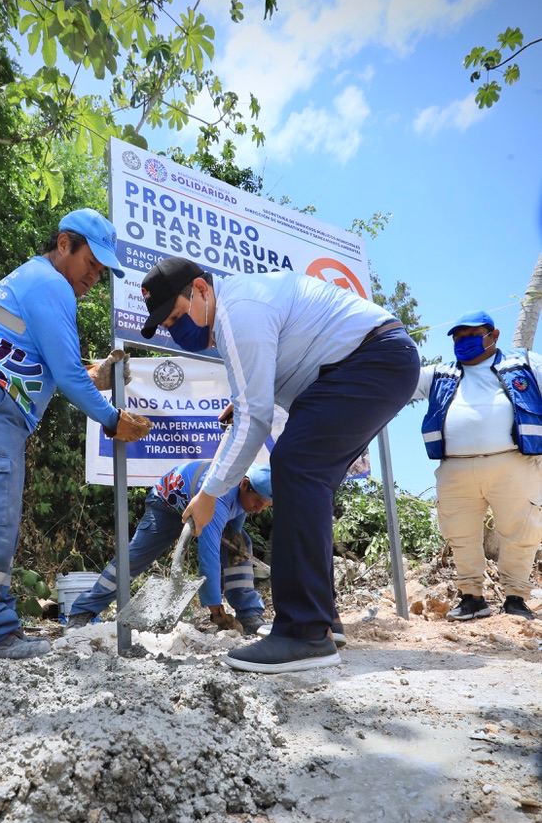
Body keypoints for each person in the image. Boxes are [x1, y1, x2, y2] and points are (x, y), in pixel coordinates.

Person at [138, 257, 420, 673]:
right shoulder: (238, 310)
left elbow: (255, 421)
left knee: (294, 467)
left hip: (371, 360)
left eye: (178, 316)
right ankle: (322, 621)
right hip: (375, 362)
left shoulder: (235, 310)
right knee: (308, 479)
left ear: (201, 289)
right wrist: (247, 404)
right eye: (168, 325)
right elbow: (259, 400)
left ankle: (303, 633)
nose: (177, 329)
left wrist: (209, 494)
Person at [0, 208, 151, 660]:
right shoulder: (51, 284)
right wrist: (114, 420)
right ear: (65, 243)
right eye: (92, 263)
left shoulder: (37, 283)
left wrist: (101, 373)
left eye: (102, 271)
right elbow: (69, 376)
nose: (95, 276)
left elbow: (58, 370)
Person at [412, 311, 542, 621]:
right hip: (455, 468)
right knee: (460, 534)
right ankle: (472, 597)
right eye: (458, 337)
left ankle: (516, 599)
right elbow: (395, 382)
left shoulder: (525, 364)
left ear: (493, 335)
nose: (463, 342)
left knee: (520, 532)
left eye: (472, 335)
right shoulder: (438, 374)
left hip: (513, 461)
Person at [67, 460, 273, 633]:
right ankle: (83, 611)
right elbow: (208, 556)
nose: (259, 509)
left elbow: (238, 510)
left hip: (201, 503)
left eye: (265, 505)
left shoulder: (247, 484)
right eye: (257, 502)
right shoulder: (219, 497)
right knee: (135, 557)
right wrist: (215, 609)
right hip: (167, 505)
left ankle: (249, 614)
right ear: (244, 485)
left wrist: (234, 533)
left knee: (240, 547)